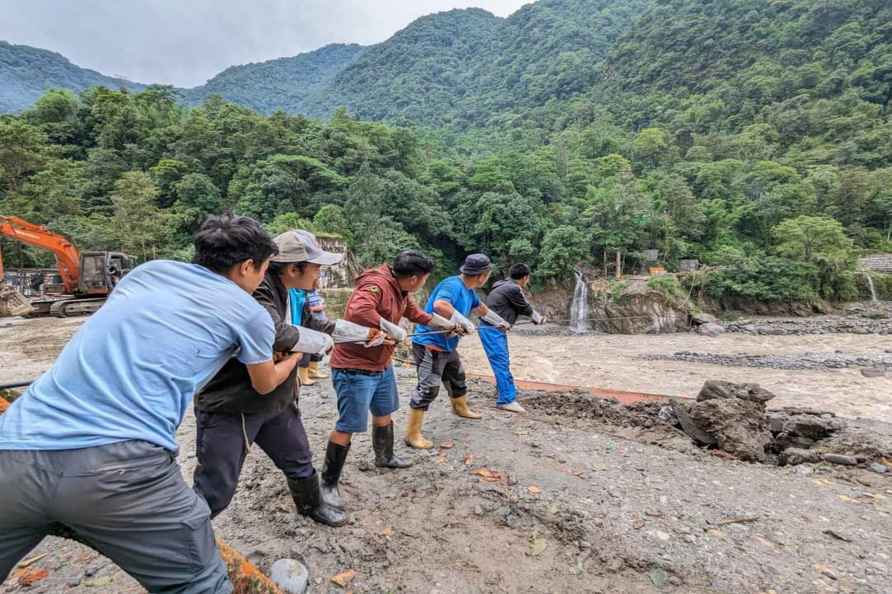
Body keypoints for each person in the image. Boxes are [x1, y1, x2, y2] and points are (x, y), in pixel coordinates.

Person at [0, 214, 294, 593]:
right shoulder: (250, 312)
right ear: (248, 267)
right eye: (262, 270)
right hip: (120, 467)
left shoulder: (148, 273)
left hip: (14, 448)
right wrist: (294, 361)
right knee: (200, 582)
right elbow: (264, 381)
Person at [193, 229, 378, 528]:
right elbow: (275, 333)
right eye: (317, 268)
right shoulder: (258, 289)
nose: (320, 275)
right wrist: (315, 345)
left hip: (278, 396)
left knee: (298, 457)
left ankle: (310, 504)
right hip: (234, 403)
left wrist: (362, 335)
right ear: (293, 269)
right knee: (216, 486)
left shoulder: (296, 291)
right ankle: (186, 540)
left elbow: (317, 325)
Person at [322, 251, 457, 511]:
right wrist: (388, 326)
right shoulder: (378, 284)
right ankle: (328, 483)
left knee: (384, 412)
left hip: (381, 364)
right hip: (355, 367)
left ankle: (385, 457)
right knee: (348, 424)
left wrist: (448, 324)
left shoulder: (401, 289)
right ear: (415, 278)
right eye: (424, 279)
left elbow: (416, 314)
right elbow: (358, 310)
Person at [405, 253, 510, 449]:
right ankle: (412, 434)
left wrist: (500, 322)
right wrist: (464, 321)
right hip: (430, 343)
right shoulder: (452, 285)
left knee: (457, 377)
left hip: (447, 345)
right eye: (487, 274)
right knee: (428, 388)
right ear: (482, 276)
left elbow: (482, 310)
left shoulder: (469, 291)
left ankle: (460, 408)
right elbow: (439, 305)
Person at [479, 263, 546, 413]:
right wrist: (538, 318)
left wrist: (534, 318)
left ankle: (503, 391)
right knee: (501, 362)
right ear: (525, 277)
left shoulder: (501, 285)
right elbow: (524, 307)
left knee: (502, 361)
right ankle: (506, 400)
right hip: (492, 329)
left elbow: (516, 307)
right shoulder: (513, 288)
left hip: (491, 328)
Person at [293, 289, 329, 386]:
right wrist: (316, 308)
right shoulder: (300, 291)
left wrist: (321, 306)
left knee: (317, 347)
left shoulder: (313, 290)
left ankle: (312, 371)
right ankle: (303, 376)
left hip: (318, 322)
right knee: (307, 349)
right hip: (308, 322)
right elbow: (303, 307)